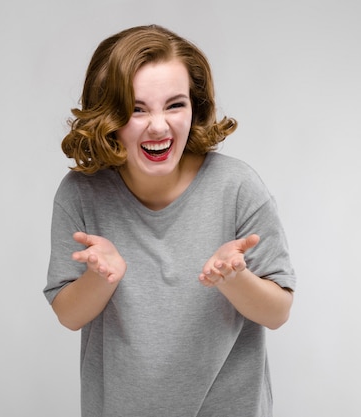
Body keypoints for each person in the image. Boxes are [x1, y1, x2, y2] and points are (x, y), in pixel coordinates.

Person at [44, 24, 296, 417]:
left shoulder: (237, 186)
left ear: (194, 106)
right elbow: (68, 315)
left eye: (174, 105)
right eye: (136, 109)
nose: (158, 126)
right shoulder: (81, 193)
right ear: (108, 115)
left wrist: (236, 280)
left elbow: (278, 312)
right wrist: (100, 277)